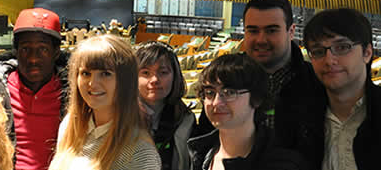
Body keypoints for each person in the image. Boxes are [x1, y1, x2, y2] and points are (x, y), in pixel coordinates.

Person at [195, 0, 317, 138]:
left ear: (291, 32)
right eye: (253, 31)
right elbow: (204, 137)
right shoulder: (223, 77)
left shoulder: (315, 81)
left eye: (271, 30)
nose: (261, 40)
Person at [285, 8, 381, 169]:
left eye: (342, 47)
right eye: (318, 51)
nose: (329, 60)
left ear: (367, 52)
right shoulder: (298, 116)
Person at [48, 35, 160, 170]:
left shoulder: (139, 152)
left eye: (105, 73)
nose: (92, 83)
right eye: (85, 73)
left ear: (125, 81)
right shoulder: (70, 126)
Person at [187, 54, 306, 170]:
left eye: (229, 92)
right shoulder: (198, 155)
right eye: (210, 93)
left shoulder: (284, 163)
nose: (216, 102)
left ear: (256, 98)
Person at [0, 7, 69, 170]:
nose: (33, 58)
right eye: (26, 49)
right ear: (16, 52)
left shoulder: (74, 93)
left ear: (56, 53)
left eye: (43, 49)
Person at [136, 41, 195, 170]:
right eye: (145, 73)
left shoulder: (186, 119)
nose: (154, 80)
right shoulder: (118, 116)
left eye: (163, 72)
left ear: (175, 76)